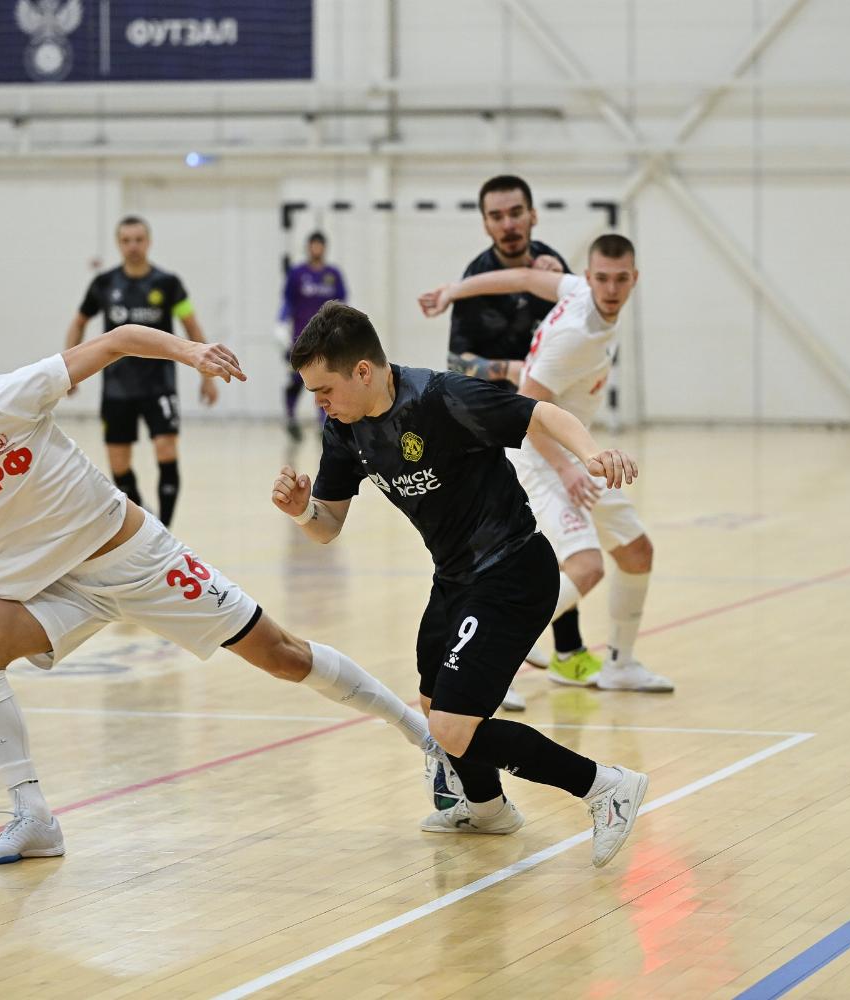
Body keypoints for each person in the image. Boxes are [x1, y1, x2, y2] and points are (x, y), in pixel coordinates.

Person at [0, 325, 447, 866]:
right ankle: (33, 817)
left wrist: (191, 352)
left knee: (282, 656)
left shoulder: (5, 399)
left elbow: (116, 341)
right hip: (48, 592)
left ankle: (421, 734)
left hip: (136, 559)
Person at [271, 302, 648, 866]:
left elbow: (540, 413)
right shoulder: (344, 430)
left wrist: (593, 455)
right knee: (433, 703)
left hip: (512, 572)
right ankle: (488, 809)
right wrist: (303, 511)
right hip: (454, 578)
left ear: (363, 371)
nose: (318, 402)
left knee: (451, 726)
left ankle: (605, 787)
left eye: (324, 389)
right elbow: (328, 527)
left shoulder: (441, 398)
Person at [422, 233, 672, 692]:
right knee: (586, 566)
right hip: (540, 454)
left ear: (634, 278)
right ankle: (484, 652)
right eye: (602, 279)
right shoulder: (576, 336)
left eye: (620, 279)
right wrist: (566, 469)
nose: (610, 288)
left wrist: (454, 290)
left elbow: (520, 277)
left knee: (636, 551)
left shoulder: (576, 290)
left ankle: (619, 665)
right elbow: (529, 410)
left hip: (576, 451)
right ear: (590, 276)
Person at [447, 174, 599, 703]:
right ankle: (483, 660)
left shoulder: (553, 271)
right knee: (497, 550)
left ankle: (567, 651)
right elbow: (457, 363)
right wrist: (514, 370)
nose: (508, 224)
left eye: (516, 212)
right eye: (497, 216)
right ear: (485, 223)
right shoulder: (477, 279)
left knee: (550, 539)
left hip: (540, 426)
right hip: (486, 430)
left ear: (533, 215)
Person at [65, 215, 216, 527]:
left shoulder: (168, 284)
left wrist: (207, 377)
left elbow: (191, 326)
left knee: (166, 448)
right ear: (118, 244)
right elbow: (79, 322)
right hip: (117, 388)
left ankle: (166, 530)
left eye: (138, 240)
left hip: (159, 385)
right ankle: (147, 524)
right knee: (119, 464)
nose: (132, 246)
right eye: (126, 240)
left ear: (148, 242)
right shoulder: (104, 284)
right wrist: (69, 371)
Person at [279, 231, 349, 443]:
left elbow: (342, 304)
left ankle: (324, 423)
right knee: (296, 380)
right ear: (308, 247)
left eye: (320, 245)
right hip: (300, 338)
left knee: (325, 381)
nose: (316, 249)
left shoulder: (333, 275)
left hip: (326, 340)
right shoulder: (297, 274)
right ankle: (291, 418)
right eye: (313, 245)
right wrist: (280, 324)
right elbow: (288, 302)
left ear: (324, 248)